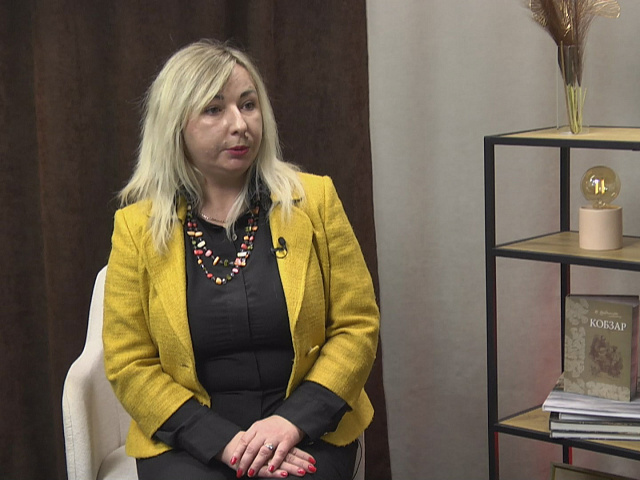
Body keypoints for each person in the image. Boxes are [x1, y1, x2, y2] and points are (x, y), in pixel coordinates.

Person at [102, 39, 380, 480]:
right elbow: (129, 362)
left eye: (248, 105)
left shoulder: (315, 201)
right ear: (175, 125)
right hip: (189, 438)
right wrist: (225, 443)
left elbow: (357, 325)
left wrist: (290, 423)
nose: (240, 124)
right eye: (214, 109)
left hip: (305, 428)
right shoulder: (137, 228)